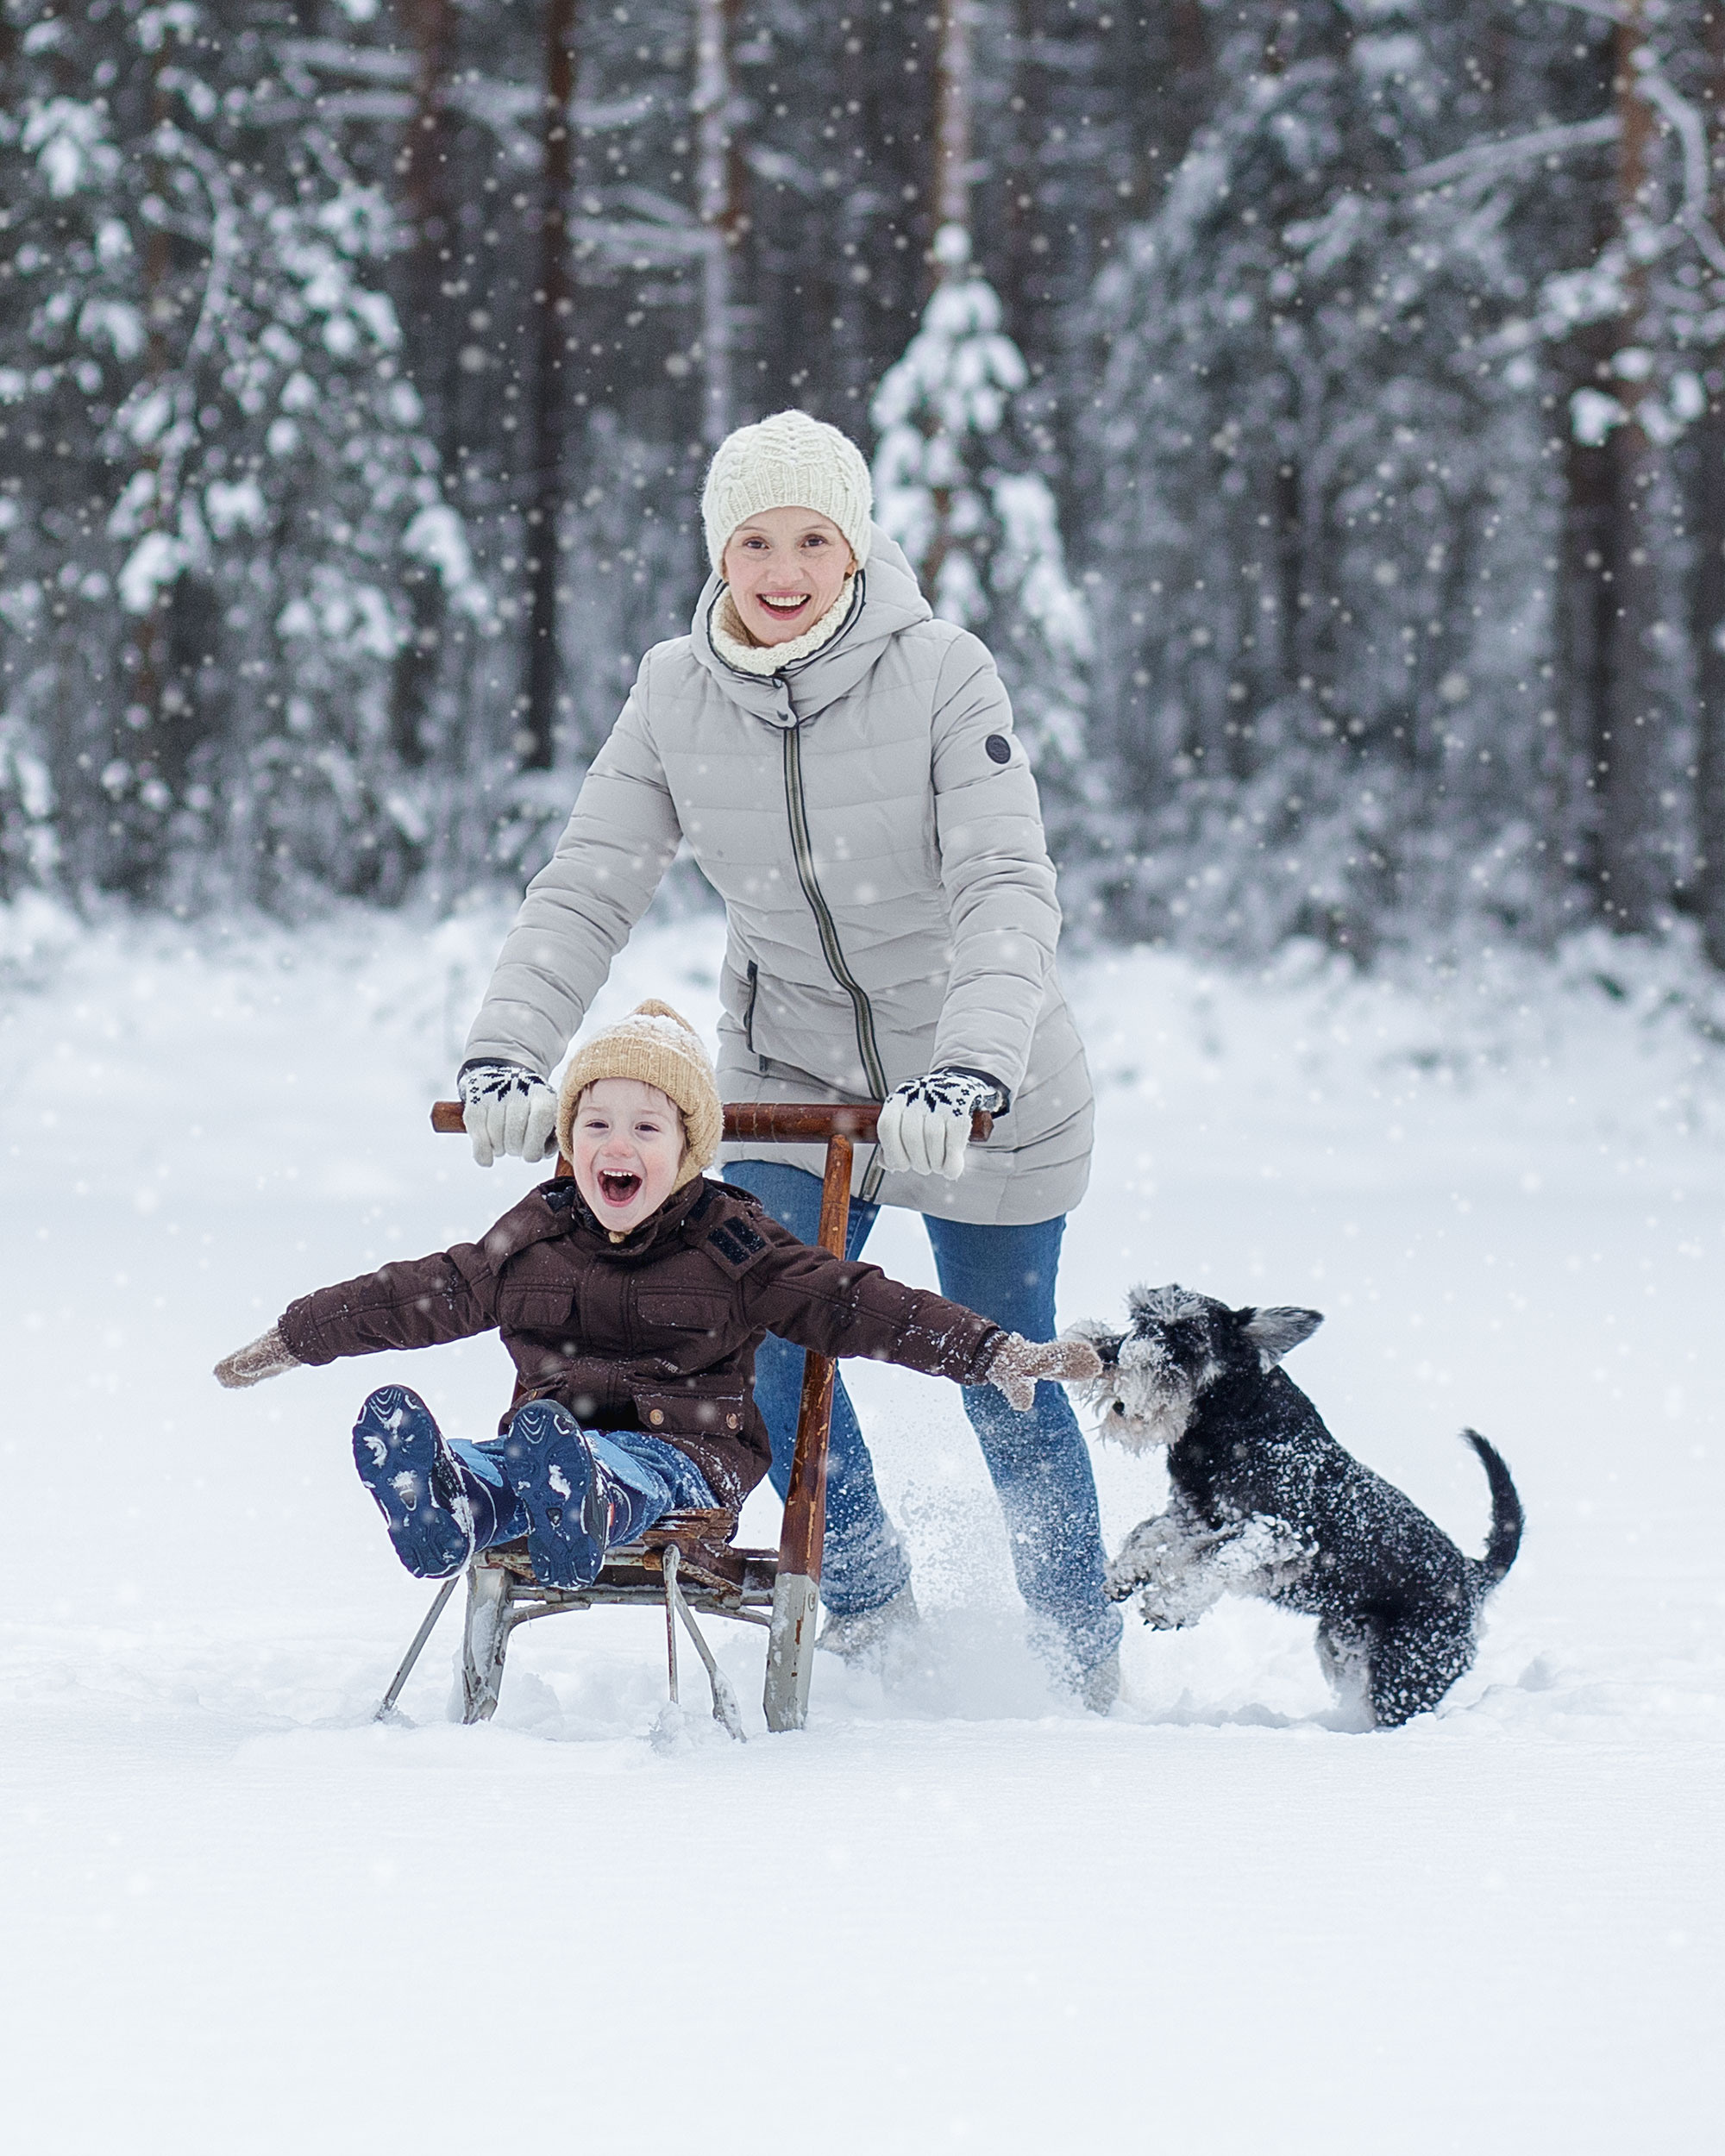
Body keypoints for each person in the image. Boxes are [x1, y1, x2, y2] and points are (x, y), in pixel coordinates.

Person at [453, 411, 1120, 1704]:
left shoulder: (942, 672)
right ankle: (864, 1595)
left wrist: (969, 1069)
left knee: (1007, 1372)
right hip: (792, 1065)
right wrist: (506, 1054)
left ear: (856, 546)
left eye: (814, 536)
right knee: (750, 1318)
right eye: (756, 538)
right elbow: (589, 882)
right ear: (719, 550)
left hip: (985, 1076)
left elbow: (1004, 884)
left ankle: (1079, 1665)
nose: (784, 566)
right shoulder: (674, 690)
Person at [214, 1004, 1098, 1597]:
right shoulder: (533, 1235)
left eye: (647, 1126)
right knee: (506, 1463)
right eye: (595, 1124)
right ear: (570, 1142)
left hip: (690, 1467)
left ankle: (583, 1494)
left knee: (601, 1466)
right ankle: (448, 1500)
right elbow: (422, 1291)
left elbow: (853, 1300)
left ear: (686, 1146)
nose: (617, 1144)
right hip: (548, 1443)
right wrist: (301, 1333)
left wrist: (988, 1351)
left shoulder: (731, 1239)